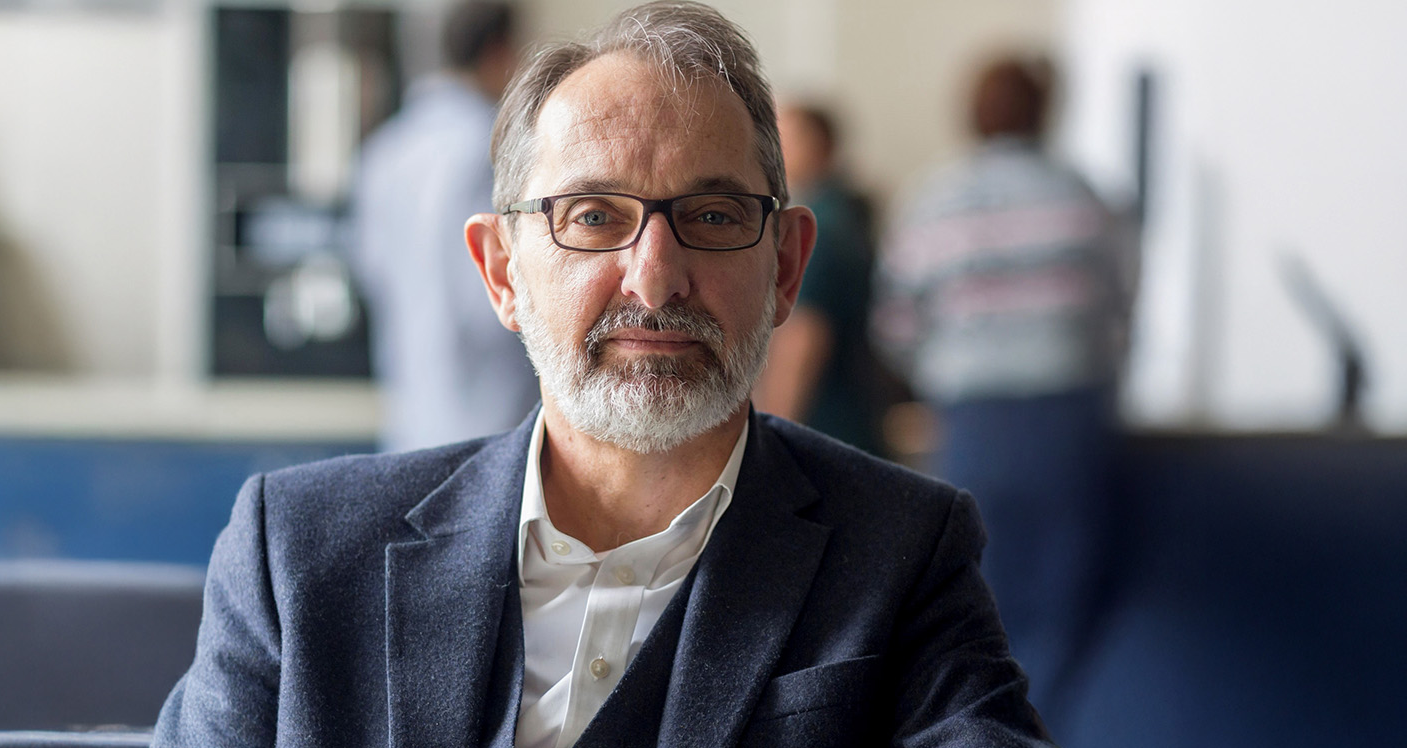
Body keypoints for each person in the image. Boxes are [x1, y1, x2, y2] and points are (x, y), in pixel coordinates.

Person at [155, 4, 1052, 746]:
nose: (654, 279)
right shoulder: (300, 557)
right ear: (501, 272)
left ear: (784, 267)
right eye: (592, 215)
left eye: (712, 214)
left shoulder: (902, 554)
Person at [874, 55, 1134, 730]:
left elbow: (895, 327)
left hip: (974, 419)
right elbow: (1118, 310)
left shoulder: (937, 200)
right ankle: (1049, 728)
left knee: (969, 591)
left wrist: (945, 366)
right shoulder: (1083, 196)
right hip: (1067, 417)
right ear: (1046, 112)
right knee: (1062, 597)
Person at [347, 1, 539, 452]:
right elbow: (502, 290)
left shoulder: (384, 151)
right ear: (500, 52)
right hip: (494, 413)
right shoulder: (493, 146)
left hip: (411, 416)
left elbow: (370, 272)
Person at [755, 103, 889, 456]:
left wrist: (769, 440)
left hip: (821, 426)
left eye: (788, 138)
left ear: (820, 145)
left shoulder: (821, 228)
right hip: (853, 418)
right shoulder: (849, 214)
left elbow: (803, 339)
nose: (776, 150)